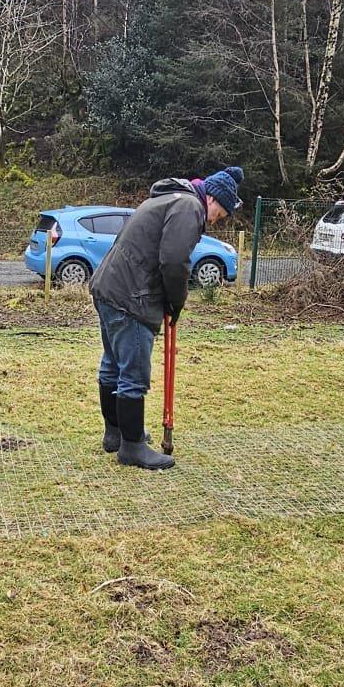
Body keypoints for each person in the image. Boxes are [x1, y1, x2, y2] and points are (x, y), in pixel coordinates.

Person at [89, 166, 242, 470]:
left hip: (109, 287)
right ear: (211, 199)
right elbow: (174, 261)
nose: (215, 222)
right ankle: (131, 448)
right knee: (133, 373)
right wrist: (176, 301)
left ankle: (116, 433)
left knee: (112, 364)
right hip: (132, 297)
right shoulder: (189, 207)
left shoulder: (168, 197)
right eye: (219, 214)